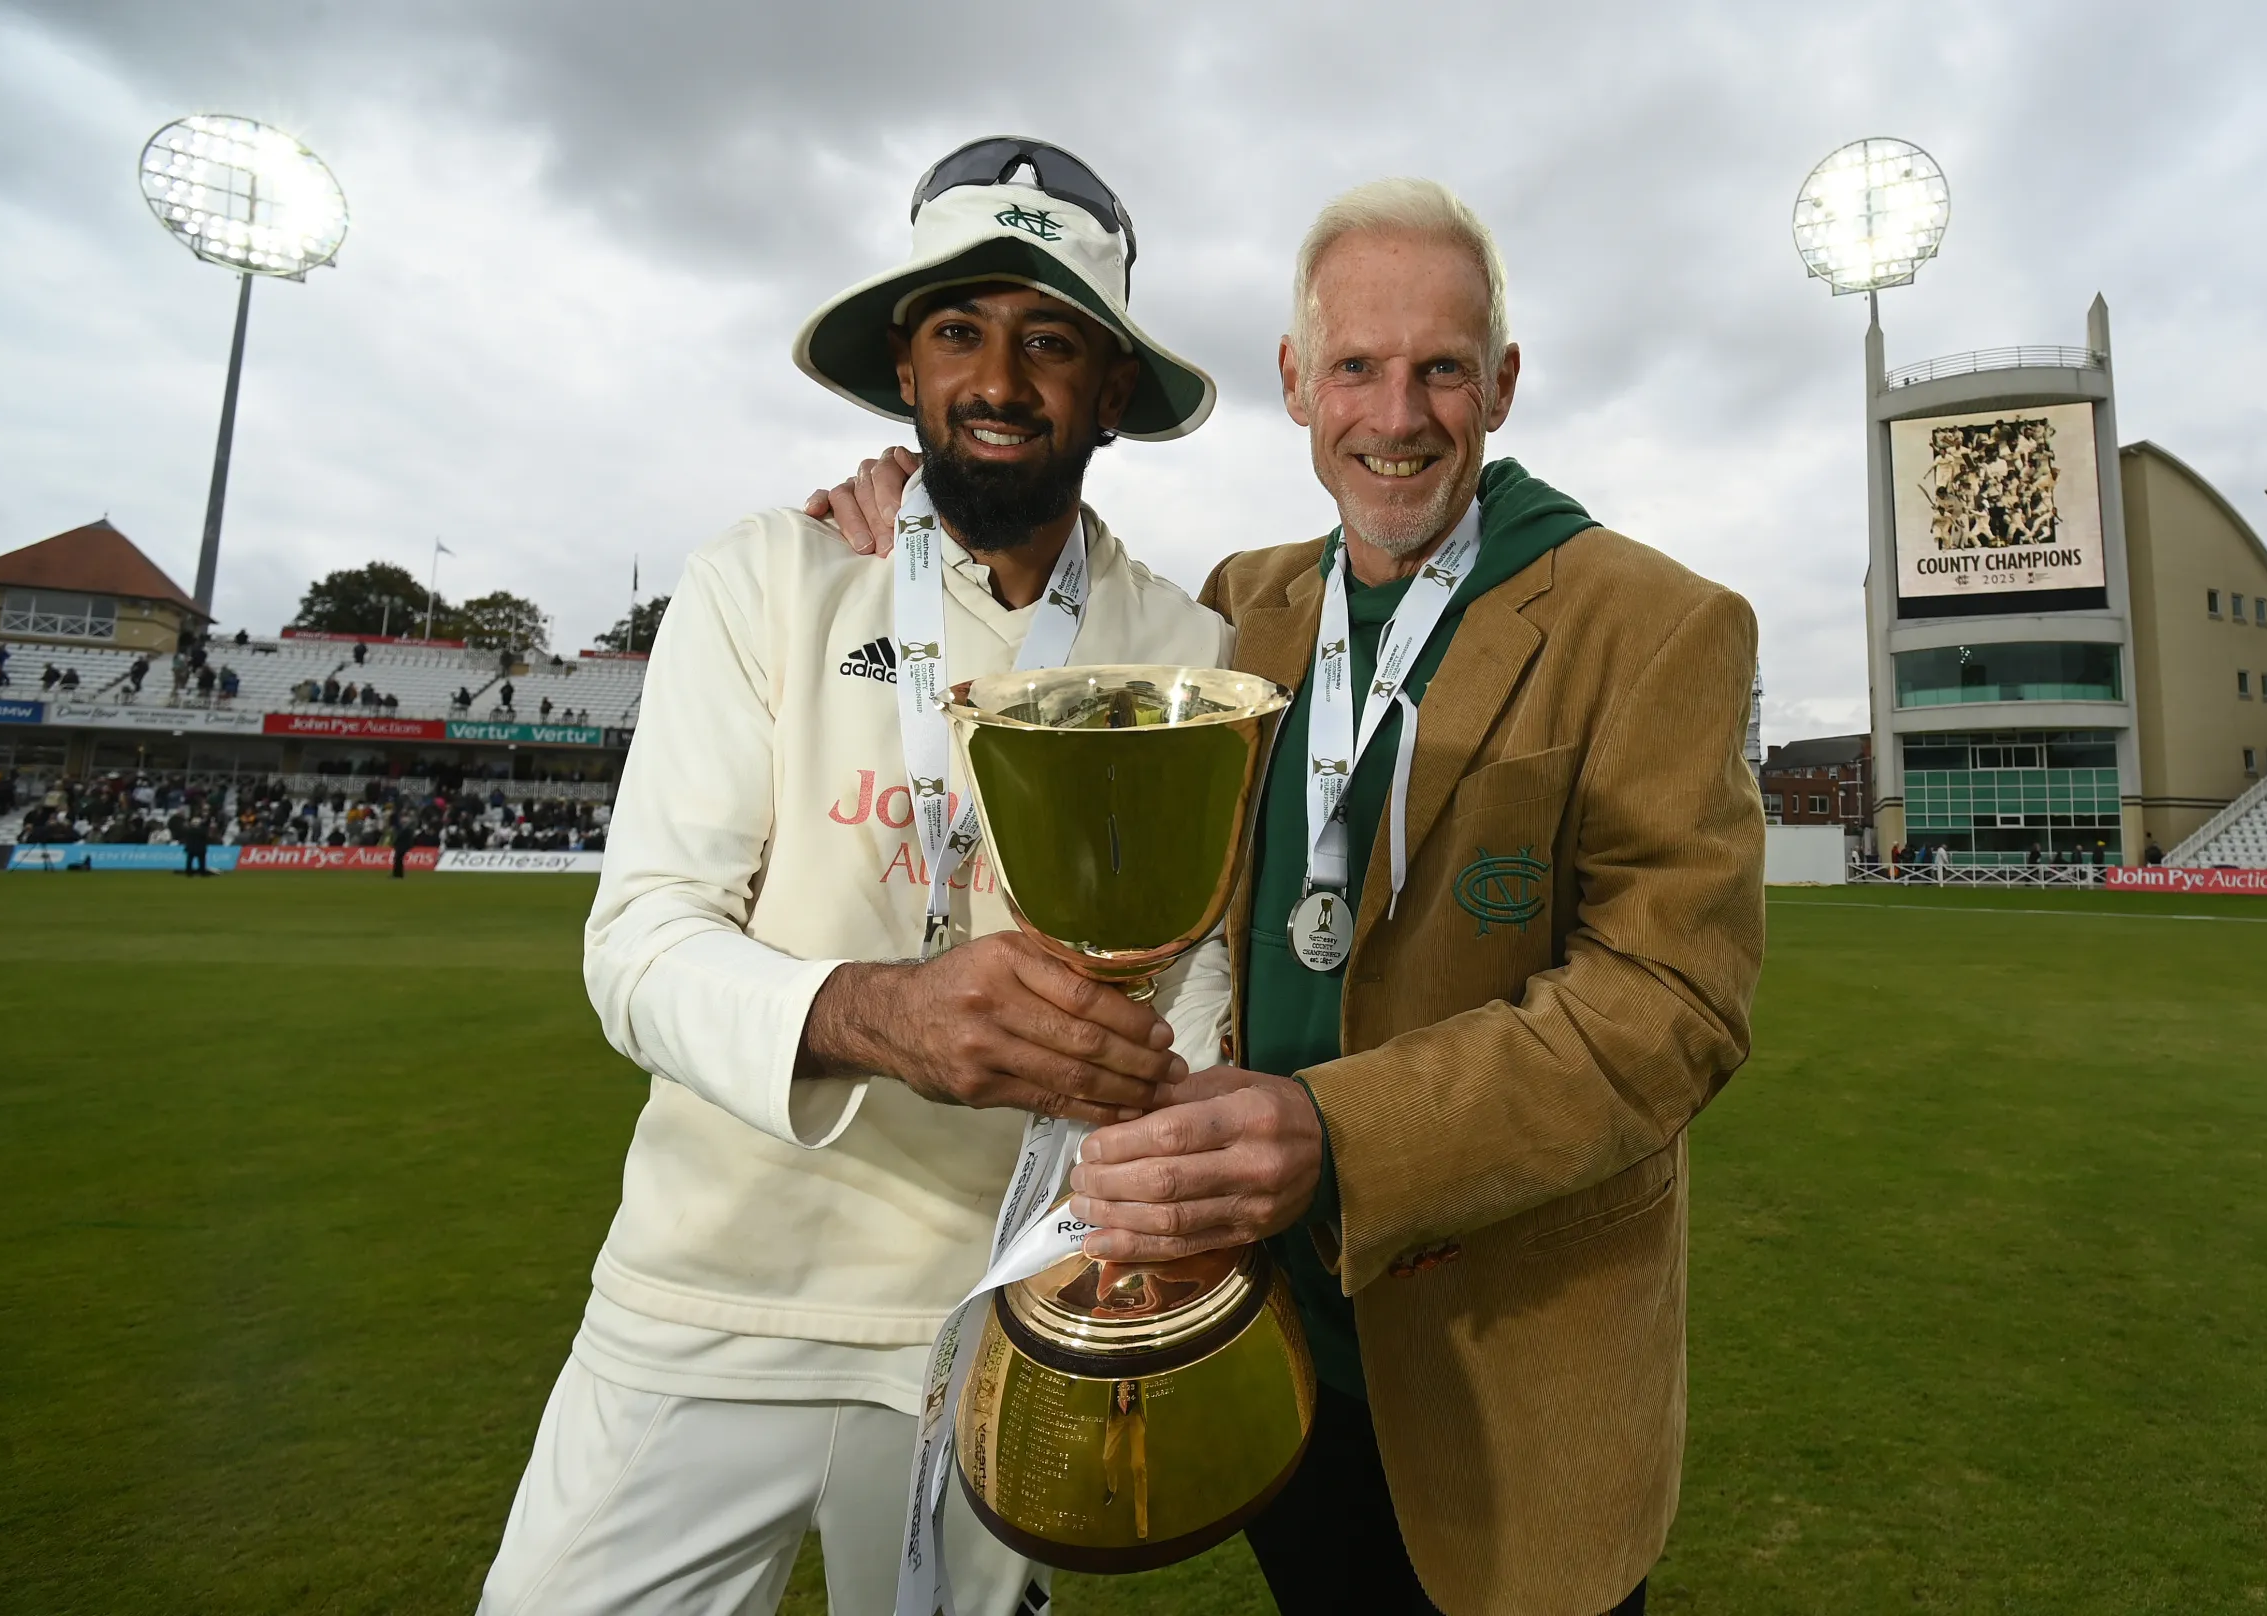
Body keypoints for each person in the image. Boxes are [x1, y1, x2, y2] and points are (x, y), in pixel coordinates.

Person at [818, 177, 1762, 1616]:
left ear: (1502, 385)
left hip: (1509, 1374)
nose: (1397, 416)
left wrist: (1332, 1131)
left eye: (1443, 367)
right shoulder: (1239, 609)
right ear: (1294, 384)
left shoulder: (1657, 623)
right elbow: (1042, 601)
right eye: (1357, 368)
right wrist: (906, 508)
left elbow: (1673, 1008)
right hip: (1268, 1349)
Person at [479, 137, 1233, 1616]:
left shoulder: (1181, 651)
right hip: (711, 1289)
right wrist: (886, 1014)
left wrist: (1154, 1181)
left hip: (999, 1317)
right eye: (958, 330)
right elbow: (637, 945)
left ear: (1114, 391)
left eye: (1051, 340)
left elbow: (1189, 988)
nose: (999, 380)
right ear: (907, 368)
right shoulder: (767, 577)